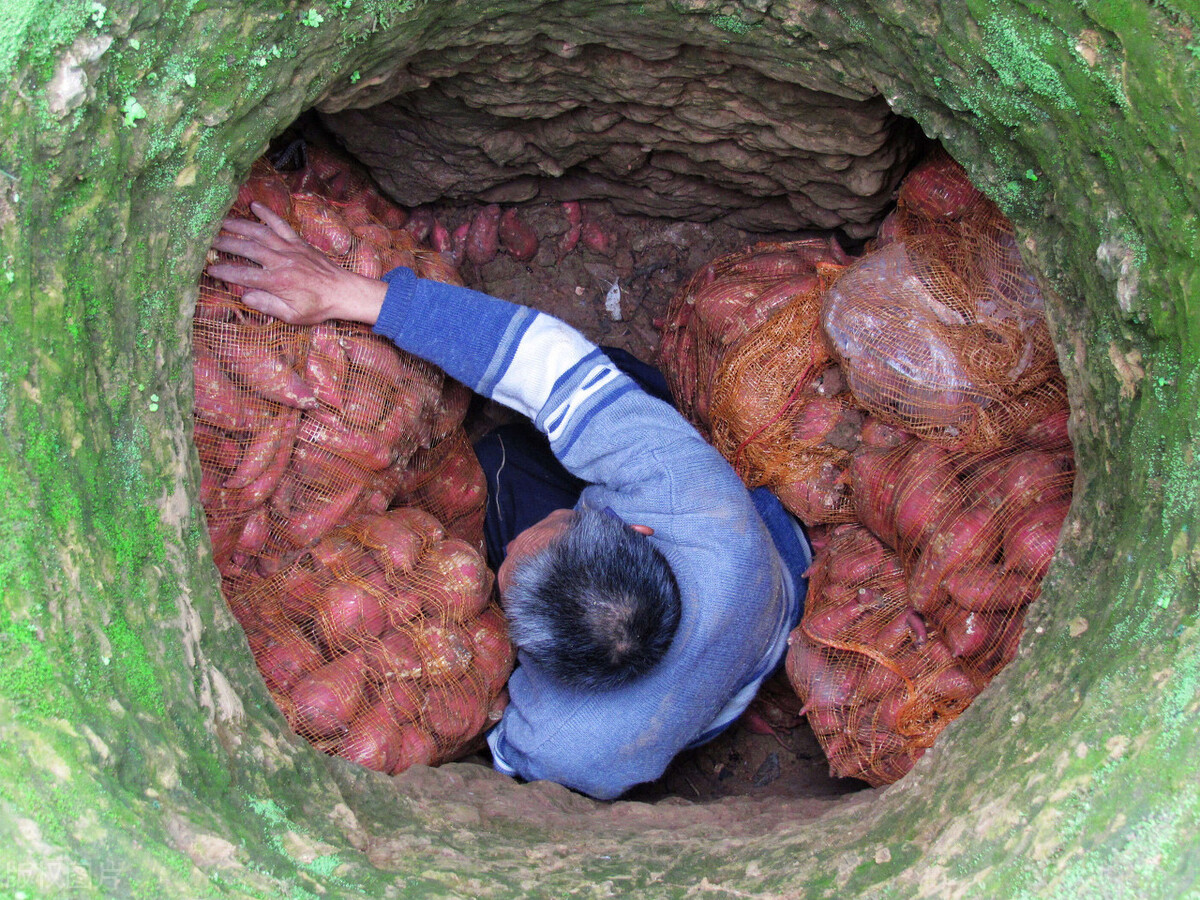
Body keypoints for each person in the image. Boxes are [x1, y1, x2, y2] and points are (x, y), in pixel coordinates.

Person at [208, 202, 811, 800]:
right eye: (549, 534)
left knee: (497, 472)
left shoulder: (562, 744)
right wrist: (357, 296)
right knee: (611, 387)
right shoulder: (698, 505)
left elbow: (486, 749)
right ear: (638, 530)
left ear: (538, 665)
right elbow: (550, 360)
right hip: (765, 594)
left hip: (711, 694)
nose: (519, 544)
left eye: (508, 589)